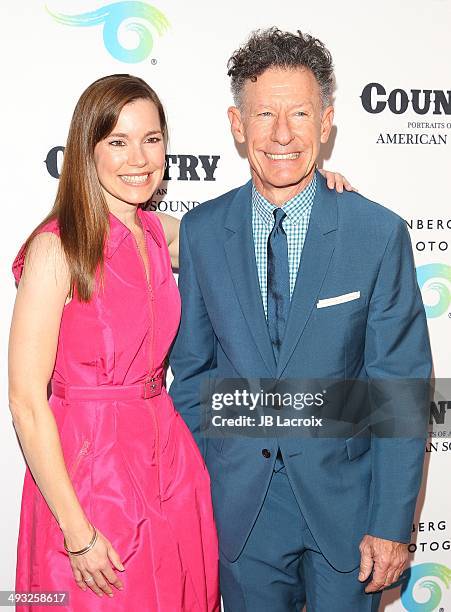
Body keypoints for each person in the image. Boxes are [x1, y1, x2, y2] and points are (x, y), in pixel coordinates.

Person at [169, 28, 432, 611]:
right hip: (241, 511)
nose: (281, 134)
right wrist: (204, 490)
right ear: (237, 125)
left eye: (300, 114)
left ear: (328, 121)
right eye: (263, 114)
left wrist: (393, 523)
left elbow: (399, 391)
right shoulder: (204, 232)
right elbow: (190, 376)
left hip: (349, 507)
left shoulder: (375, 233)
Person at [8, 74, 219, 611]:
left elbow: (240, 228)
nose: (138, 158)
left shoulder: (160, 233)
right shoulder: (57, 248)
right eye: (118, 142)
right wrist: (76, 532)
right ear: (88, 149)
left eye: (151, 139)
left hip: (168, 465)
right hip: (87, 474)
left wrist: (316, 184)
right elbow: (27, 402)